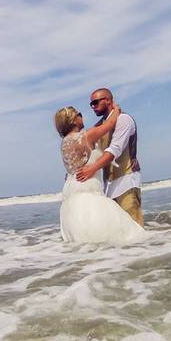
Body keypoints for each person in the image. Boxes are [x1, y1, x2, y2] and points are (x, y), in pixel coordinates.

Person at [54, 103, 146, 243]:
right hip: (88, 188)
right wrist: (116, 108)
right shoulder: (86, 136)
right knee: (117, 232)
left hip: (71, 192)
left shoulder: (64, 142)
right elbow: (110, 123)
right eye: (79, 114)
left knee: (83, 236)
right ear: (73, 120)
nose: (81, 116)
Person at [75, 88, 143, 227]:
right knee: (117, 231)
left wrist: (91, 169)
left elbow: (114, 150)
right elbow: (89, 152)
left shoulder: (123, 119)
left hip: (126, 179)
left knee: (135, 228)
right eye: (91, 104)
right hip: (108, 186)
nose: (93, 106)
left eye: (95, 102)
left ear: (107, 100)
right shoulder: (100, 126)